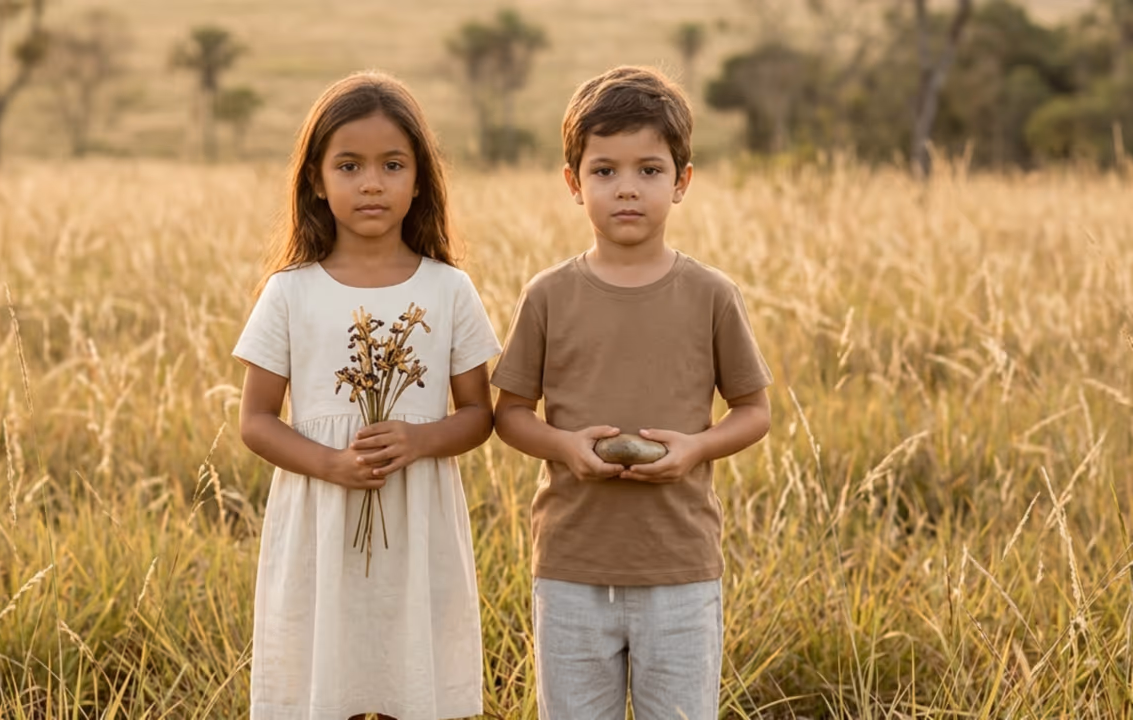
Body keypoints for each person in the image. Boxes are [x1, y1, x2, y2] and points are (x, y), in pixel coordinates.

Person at [491, 66, 773, 720]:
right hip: (569, 567)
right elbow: (509, 414)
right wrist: (564, 446)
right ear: (573, 182)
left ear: (682, 182)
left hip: (679, 569)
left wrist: (696, 448)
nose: (627, 189)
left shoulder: (710, 295)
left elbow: (753, 411)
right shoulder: (548, 295)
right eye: (605, 170)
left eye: (649, 171)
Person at [234, 70, 500, 720]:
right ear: (317, 182)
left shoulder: (448, 289)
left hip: (416, 519)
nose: (372, 183)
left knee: (411, 677)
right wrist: (329, 464)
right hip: (321, 519)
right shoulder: (290, 292)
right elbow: (255, 420)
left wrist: (419, 438)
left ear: (419, 182)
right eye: (349, 165)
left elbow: (478, 415)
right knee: (328, 677)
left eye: (392, 164)